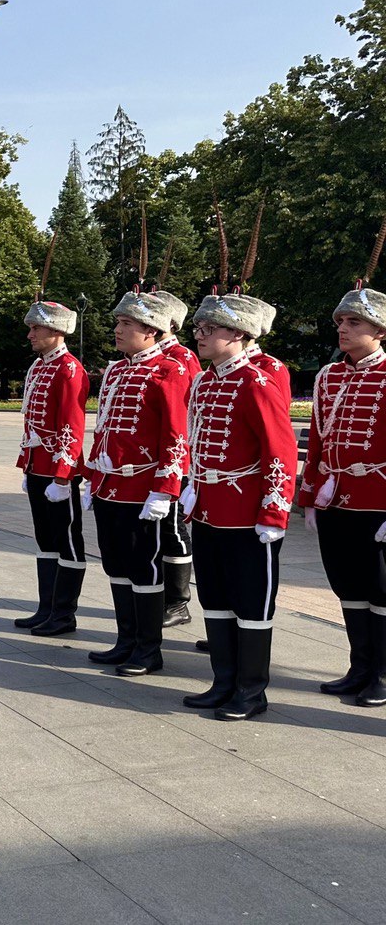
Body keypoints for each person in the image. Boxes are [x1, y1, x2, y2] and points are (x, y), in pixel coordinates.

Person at [182, 292, 297, 720]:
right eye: (198, 328)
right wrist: (192, 488)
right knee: (214, 598)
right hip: (210, 508)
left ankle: (251, 691)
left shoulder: (258, 381)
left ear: (241, 335)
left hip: (248, 513)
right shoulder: (205, 380)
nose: (201, 335)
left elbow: (280, 451)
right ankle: (223, 681)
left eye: (210, 329)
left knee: (251, 603)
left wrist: (273, 511)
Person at [84, 292, 191, 676]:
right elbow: (104, 429)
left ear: (151, 330)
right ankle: (126, 640)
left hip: (143, 489)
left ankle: (148, 649)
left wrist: (165, 489)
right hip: (109, 485)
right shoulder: (116, 371)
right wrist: (93, 476)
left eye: (125, 324)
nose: (117, 329)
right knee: (115, 564)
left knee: (144, 567)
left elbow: (177, 436)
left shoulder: (171, 370)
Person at [298, 284, 386, 708]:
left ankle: (382, 675)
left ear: (380, 330)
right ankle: (359, 667)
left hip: (378, 502)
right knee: (348, 587)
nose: (343, 329)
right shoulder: (328, 376)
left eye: (355, 323)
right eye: (341, 323)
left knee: (382, 590)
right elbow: (317, 440)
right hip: (336, 499)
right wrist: (310, 495)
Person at [16, 298, 89, 636]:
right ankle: (45, 608)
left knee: (67, 541)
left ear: (57, 331)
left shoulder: (69, 369)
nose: (29, 334)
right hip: (37, 466)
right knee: (45, 540)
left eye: (36, 328)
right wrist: (29, 466)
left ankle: (63, 614)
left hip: (59, 472)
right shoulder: (39, 366)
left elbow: (71, 427)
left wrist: (63, 477)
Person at [145, 290, 202, 630]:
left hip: (174, 461)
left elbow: (181, 417)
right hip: (144, 464)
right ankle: (153, 595)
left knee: (173, 529)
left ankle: (178, 602)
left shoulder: (180, 358)